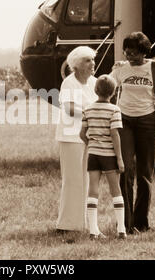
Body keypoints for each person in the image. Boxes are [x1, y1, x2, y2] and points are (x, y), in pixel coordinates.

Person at [110, 31, 155, 234]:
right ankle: (126, 223)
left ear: (144, 51)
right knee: (125, 170)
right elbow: (105, 87)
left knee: (145, 174)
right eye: (127, 52)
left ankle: (141, 222)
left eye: (134, 53)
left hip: (148, 121)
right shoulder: (120, 69)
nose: (130, 56)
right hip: (124, 120)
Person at [55, 46, 98, 232]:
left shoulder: (95, 83)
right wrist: (92, 113)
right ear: (76, 65)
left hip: (90, 136)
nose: (92, 64)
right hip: (70, 137)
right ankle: (66, 224)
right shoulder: (69, 83)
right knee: (72, 180)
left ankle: (84, 223)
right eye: (87, 60)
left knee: (88, 180)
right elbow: (69, 108)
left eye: (92, 59)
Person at [80, 75, 126, 240]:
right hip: (109, 155)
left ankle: (93, 230)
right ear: (113, 93)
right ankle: (121, 229)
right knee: (116, 190)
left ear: (95, 90)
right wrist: (119, 158)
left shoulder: (88, 109)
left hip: (93, 154)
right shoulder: (114, 110)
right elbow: (115, 135)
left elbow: (82, 134)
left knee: (93, 190)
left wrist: (91, 143)